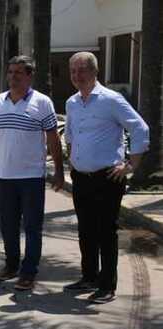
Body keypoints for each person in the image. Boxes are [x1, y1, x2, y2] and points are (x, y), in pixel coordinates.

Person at [63, 52, 149, 304]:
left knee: (105, 232)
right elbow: (69, 133)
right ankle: (88, 276)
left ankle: (106, 285)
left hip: (107, 177)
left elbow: (139, 127)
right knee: (85, 230)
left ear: (94, 72)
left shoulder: (111, 100)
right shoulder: (72, 103)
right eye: (73, 71)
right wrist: (72, 157)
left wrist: (131, 164)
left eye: (82, 70)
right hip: (81, 177)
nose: (77, 76)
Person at [0, 55, 65, 290]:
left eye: (18, 73)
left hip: (32, 177)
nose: (13, 77)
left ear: (30, 75)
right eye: (10, 72)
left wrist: (59, 171)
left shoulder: (42, 103)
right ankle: (11, 265)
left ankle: (28, 272)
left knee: (32, 227)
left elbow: (53, 140)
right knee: (8, 225)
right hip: (6, 177)